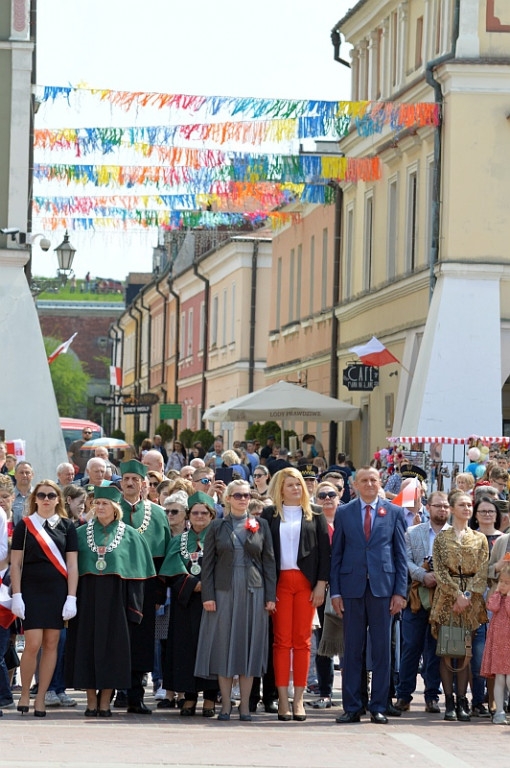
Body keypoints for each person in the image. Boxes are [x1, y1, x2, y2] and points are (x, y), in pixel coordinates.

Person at [65, 485, 155, 717]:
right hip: (87, 601)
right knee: (87, 650)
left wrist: (134, 608)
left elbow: (138, 577)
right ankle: (91, 701)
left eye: (105, 504)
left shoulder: (132, 535)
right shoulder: (80, 533)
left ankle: (105, 702)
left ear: (115, 508)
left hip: (117, 603)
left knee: (112, 652)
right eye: (97, 503)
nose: (100, 507)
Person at [330, 466, 407, 725]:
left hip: (383, 589)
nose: (370, 484)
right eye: (364, 480)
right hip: (351, 589)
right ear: (355, 484)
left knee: (382, 651)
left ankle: (378, 705)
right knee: (352, 650)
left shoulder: (394, 512)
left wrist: (400, 592)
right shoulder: (343, 512)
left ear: (380, 482)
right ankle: (352, 706)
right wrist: (336, 591)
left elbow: (400, 556)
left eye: (373, 480)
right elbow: (337, 555)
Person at [195, 479, 276, 721]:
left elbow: (269, 562)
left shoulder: (260, 524)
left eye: (246, 495)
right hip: (223, 591)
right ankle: (226, 704)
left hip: (254, 590)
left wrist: (270, 596)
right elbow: (207, 565)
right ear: (228, 498)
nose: (243, 499)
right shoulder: (217, 526)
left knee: (249, 645)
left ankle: (245, 706)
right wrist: (208, 596)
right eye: (238, 495)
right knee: (223, 644)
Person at [261, 467, 330, 722]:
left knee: (302, 641)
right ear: (280, 488)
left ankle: (298, 699)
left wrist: (321, 584)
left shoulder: (316, 514)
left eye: (299, 484)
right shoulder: (270, 514)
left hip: (305, 583)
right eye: (290, 485)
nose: (296, 489)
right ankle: (282, 699)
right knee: (281, 642)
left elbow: (325, 553)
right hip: (279, 583)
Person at [10, 480, 78, 717]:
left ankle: (41, 697)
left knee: (52, 645)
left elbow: (72, 564)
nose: (46, 499)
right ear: (35, 499)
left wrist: (71, 597)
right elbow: (16, 564)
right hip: (31, 590)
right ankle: (26, 693)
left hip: (57, 592)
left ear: (58, 499)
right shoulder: (25, 526)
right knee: (33, 644)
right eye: (41, 495)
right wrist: (16, 594)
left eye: (51, 495)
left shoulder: (67, 527)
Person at [429, 491, 489, 722]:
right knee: (447, 651)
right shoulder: (442, 539)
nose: (466, 508)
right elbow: (440, 571)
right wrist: (456, 594)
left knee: (464, 651)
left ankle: (463, 699)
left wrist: (466, 595)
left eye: (469, 505)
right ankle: (449, 701)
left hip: (471, 601)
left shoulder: (479, 538)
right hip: (447, 599)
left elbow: (482, 570)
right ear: (452, 509)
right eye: (461, 505)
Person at [118, 459, 171, 714]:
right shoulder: (109, 508)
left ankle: (135, 695)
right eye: (126, 478)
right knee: (116, 636)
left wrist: (160, 592)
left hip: (147, 586)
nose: (130, 483)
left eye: (135, 479)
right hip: (115, 585)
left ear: (143, 484)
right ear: (121, 482)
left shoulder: (158, 513)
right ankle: (116, 689)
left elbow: (165, 556)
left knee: (141, 641)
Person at [159, 492, 219, 717]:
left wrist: (208, 587)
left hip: (212, 603)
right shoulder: (178, 541)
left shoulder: (219, 538)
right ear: (188, 516)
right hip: (185, 602)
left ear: (212, 515)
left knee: (211, 648)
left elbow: (226, 568)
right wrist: (192, 584)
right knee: (185, 650)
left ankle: (211, 698)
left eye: (204, 513)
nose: (199, 516)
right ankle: (190, 697)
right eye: (195, 513)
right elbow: (171, 569)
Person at [394, 491, 450, 714]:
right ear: (428, 507)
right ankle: (404, 695)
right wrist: (421, 574)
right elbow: (404, 560)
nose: (442, 510)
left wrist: (443, 578)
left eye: (446, 506)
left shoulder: (455, 535)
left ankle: (431, 696)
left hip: (443, 599)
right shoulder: (413, 533)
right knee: (411, 648)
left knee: (436, 649)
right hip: (417, 597)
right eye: (438, 506)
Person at [310, 480, 342, 709]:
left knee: (351, 643)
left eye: (332, 494)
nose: (328, 498)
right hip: (321, 590)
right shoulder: (311, 523)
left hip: (346, 590)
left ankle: (354, 691)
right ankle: (325, 692)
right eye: (322, 495)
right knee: (323, 644)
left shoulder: (348, 521)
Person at [480, 563, 510, 724]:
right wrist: (498, 592)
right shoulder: (497, 596)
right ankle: (499, 711)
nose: (503, 585)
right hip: (498, 644)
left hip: (509, 646)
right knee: (499, 679)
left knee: (509, 680)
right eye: (501, 581)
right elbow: (491, 606)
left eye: (507, 582)